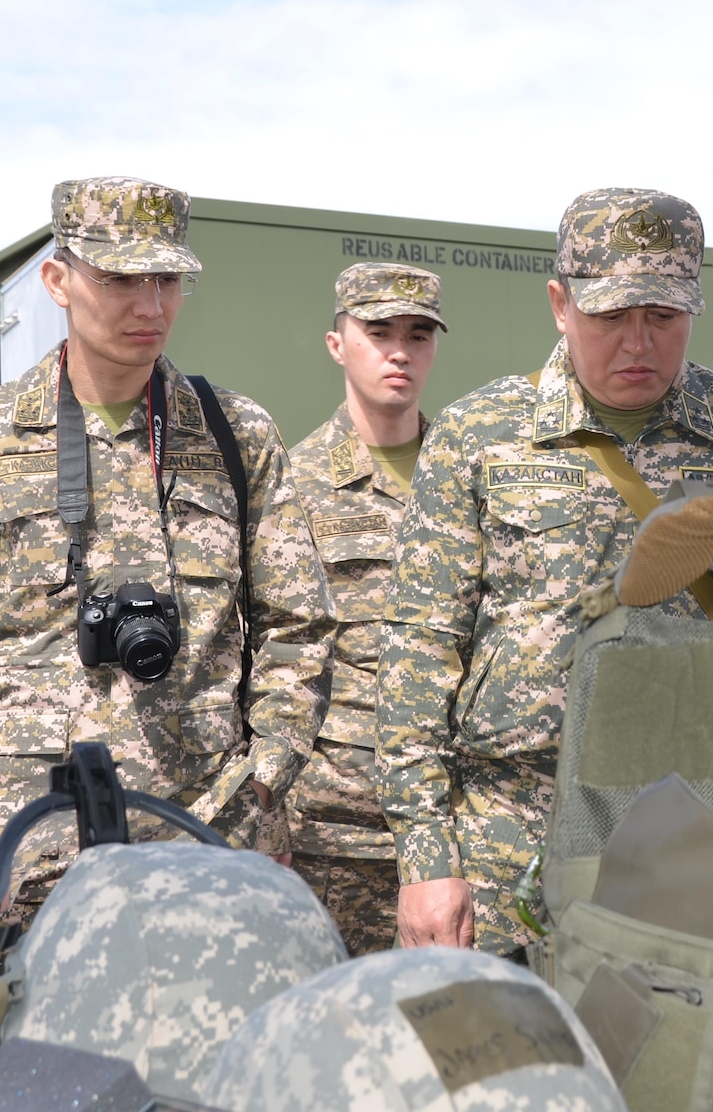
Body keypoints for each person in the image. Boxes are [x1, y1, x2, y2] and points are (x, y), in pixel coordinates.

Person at [0, 177, 334, 1045]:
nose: (151, 304)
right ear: (59, 282)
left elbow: (300, 631)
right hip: (25, 859)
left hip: (202, 847)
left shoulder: (235, 436)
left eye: (167, 281)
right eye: (122, 279)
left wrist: (257, 798)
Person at [379, 189, 713, 955]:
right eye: (611, 316)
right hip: (513, 835)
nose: (638, 343)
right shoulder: (481, 434)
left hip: (707, 830)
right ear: (560, 303)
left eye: (663, 316)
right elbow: (420, 647)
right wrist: (425, 854)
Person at [284, 263, 447, 955]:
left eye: (418, 334)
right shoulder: (292, 483)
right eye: (378, 332)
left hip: (451, 834)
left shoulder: (466, 473)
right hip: (333, 834)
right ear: (336, 343)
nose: (399, 351)